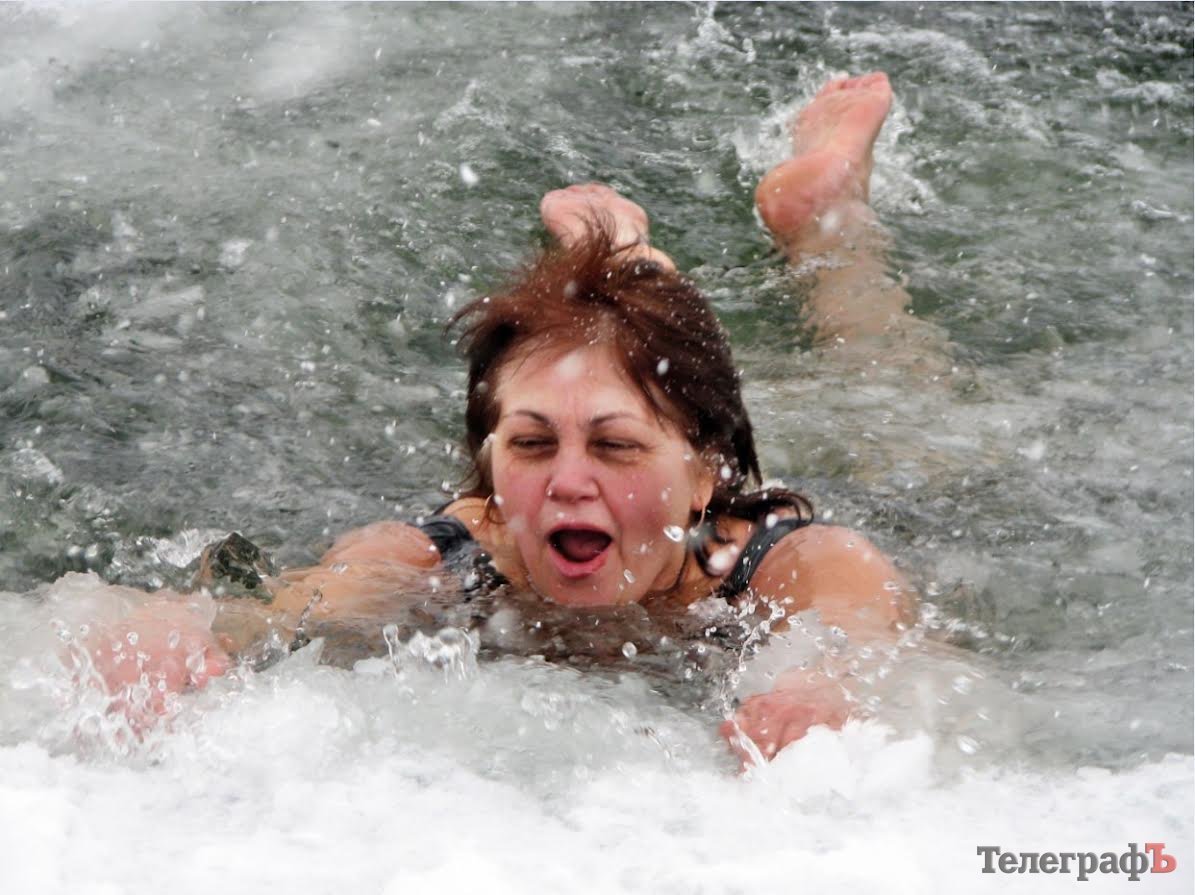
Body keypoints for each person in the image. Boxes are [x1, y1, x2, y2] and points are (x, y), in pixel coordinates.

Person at [84, 72, 920, 765]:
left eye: (614, 447)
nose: (564, 482)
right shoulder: (447, 555)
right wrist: (176, 626)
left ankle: (824, 225)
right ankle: (613, 259)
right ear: (489, 466)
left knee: (898, 412)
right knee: (615, 361)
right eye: (528, 443)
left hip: (723, 488)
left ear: (705, 475)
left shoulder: (774, 566)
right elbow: (290, 608)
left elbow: (861, 630)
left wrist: (826, 689)